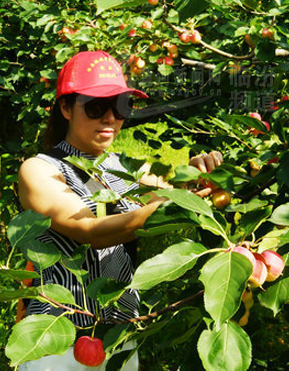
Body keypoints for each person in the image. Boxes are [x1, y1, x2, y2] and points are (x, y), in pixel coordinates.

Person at [16, 50, 222, 370]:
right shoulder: (40, 170)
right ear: (66, 108)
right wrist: (175, 200)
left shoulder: (118, 172)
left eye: (121, 105)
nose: (110, 117)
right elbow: (90, 231)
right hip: (59, 341)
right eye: (97, 106)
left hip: (119, 338)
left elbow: (160, 205)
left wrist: (194, 183)